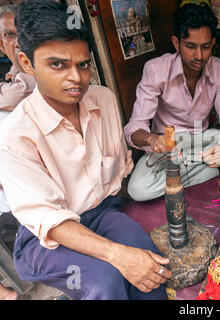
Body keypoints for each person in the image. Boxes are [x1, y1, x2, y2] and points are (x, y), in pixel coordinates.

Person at [0, 0, 171, 300]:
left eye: (83, 64)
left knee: (150, 266)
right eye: (57, 64)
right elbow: (49, 221)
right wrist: (117, 256)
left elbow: (118, 171)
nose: (76, 77)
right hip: (45, 237)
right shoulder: (15, 135)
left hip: (101, 212)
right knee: (105, 282)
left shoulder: (103, 100)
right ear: (27, 63)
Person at [124, 3, 220, 201]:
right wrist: (153, 140)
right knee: (138, 190)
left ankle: (192, 168)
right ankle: (207, 169)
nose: (199, 56)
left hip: (203, 139)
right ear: (176, 43)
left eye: (205, 47)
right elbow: (135, 127)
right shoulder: (155, 70)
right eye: (191, 46)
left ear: (213, 43)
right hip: (170, 147)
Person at [0, 4, 35, 301]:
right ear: (2, 42)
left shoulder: (33, 75)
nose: (17, 40)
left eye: (21, 32)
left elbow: (16, 93)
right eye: (10, 35)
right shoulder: (11, 78)